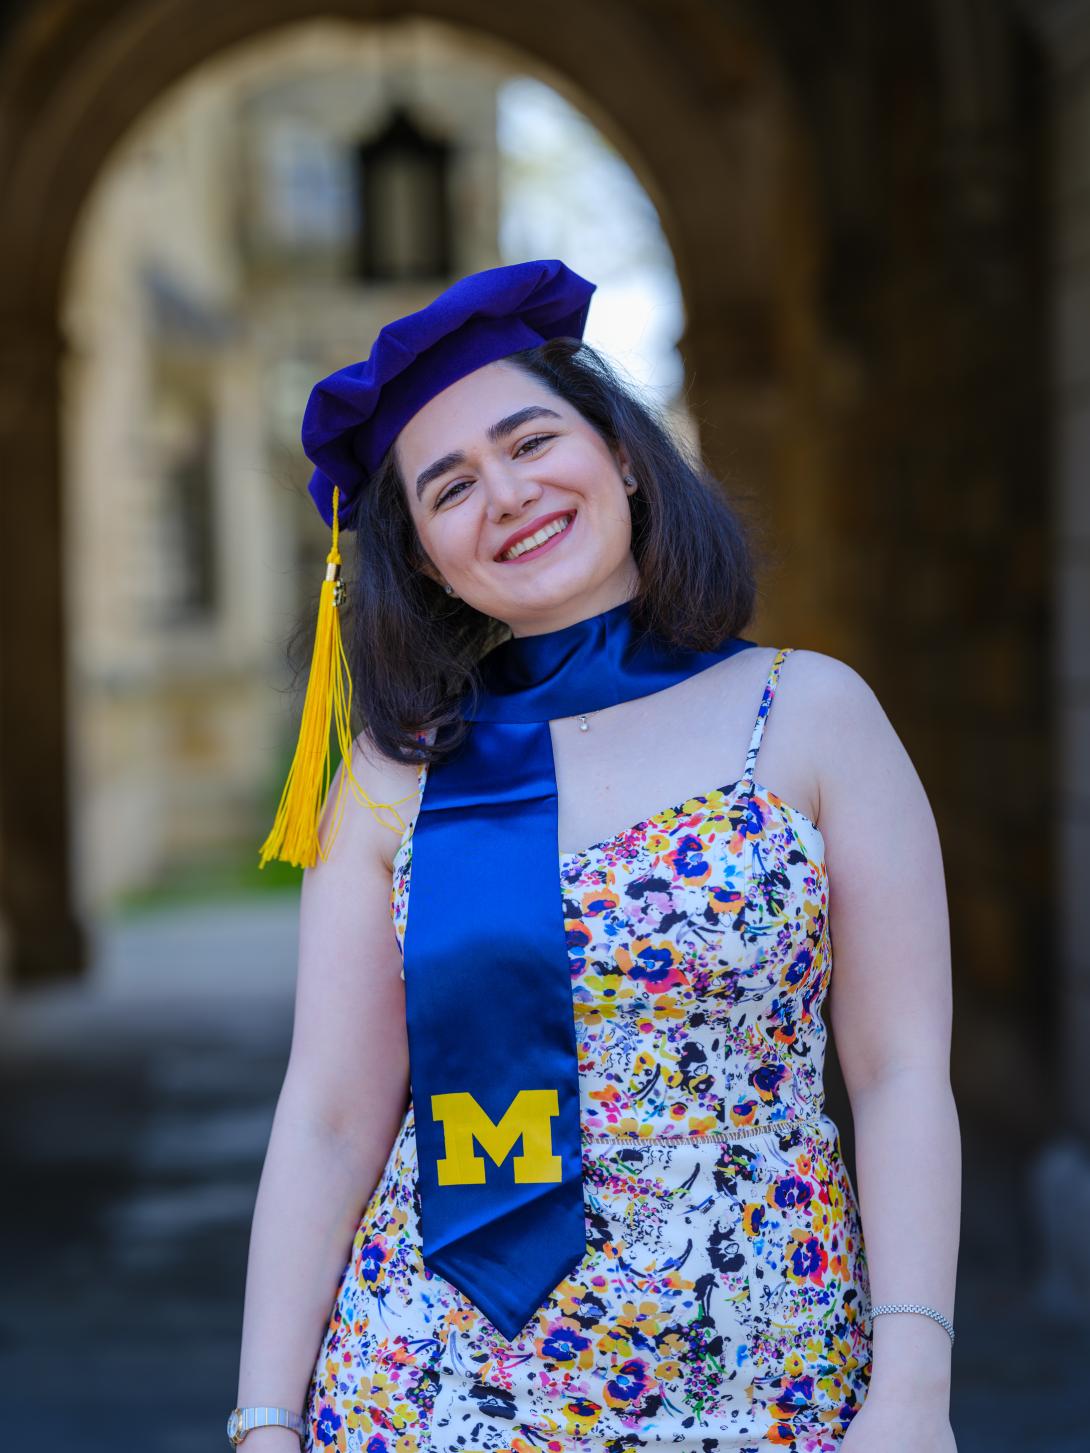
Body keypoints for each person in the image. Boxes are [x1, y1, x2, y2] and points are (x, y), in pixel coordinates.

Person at [230, 260, 960, 1452]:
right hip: (428, 1383)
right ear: (418, 552)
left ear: (621, 453)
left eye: (530, 441)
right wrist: (265, 1420)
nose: (506, 494)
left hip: (764, 1367)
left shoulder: (810, 716)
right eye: (450, 485)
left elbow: (897, 1072)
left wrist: (914, 1385)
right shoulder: (389, 778)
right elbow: (328, 1113)